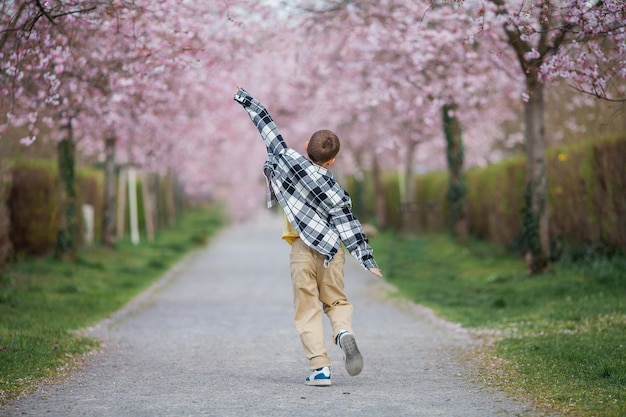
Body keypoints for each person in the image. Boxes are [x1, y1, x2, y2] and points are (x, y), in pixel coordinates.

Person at [233, 87, 383, 387]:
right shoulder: (336, 190)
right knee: (336, 302)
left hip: (302, 250)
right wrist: (368, 261)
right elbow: (349, 226)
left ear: (305, 146)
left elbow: (267, 127)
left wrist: (245, 98)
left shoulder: (288, 160)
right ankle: (343, 333)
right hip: (332, 251)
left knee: (307, 307)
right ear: (332, 161)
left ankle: (320, 369)